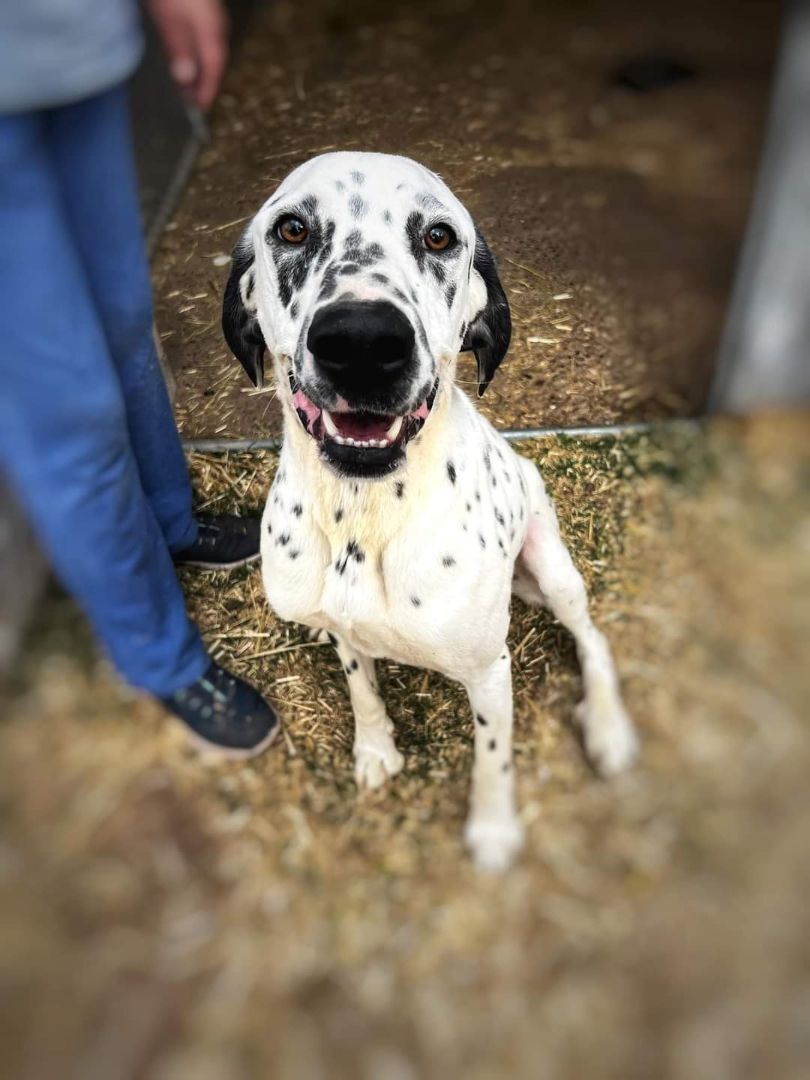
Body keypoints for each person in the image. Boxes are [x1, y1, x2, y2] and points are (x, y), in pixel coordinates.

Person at [0, 0, 279, 756]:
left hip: (70, 38)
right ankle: (160, 657)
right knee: (69, 412)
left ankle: (170, 523)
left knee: (125, 320)